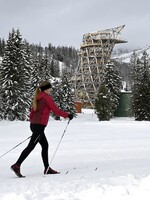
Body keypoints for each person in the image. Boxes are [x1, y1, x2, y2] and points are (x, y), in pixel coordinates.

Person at [11, 81, 73, 177]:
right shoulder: (46, 98)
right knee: (31, 146)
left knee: (45, 145)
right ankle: (17, 165)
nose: (51, 90)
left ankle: (47, 168)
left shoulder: (38, 97)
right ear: (46, 89)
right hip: (39, 126)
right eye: (50, 89)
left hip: (34, 125)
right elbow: (56, 111)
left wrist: (33, 123)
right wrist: (68, 115)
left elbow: (32, 112)